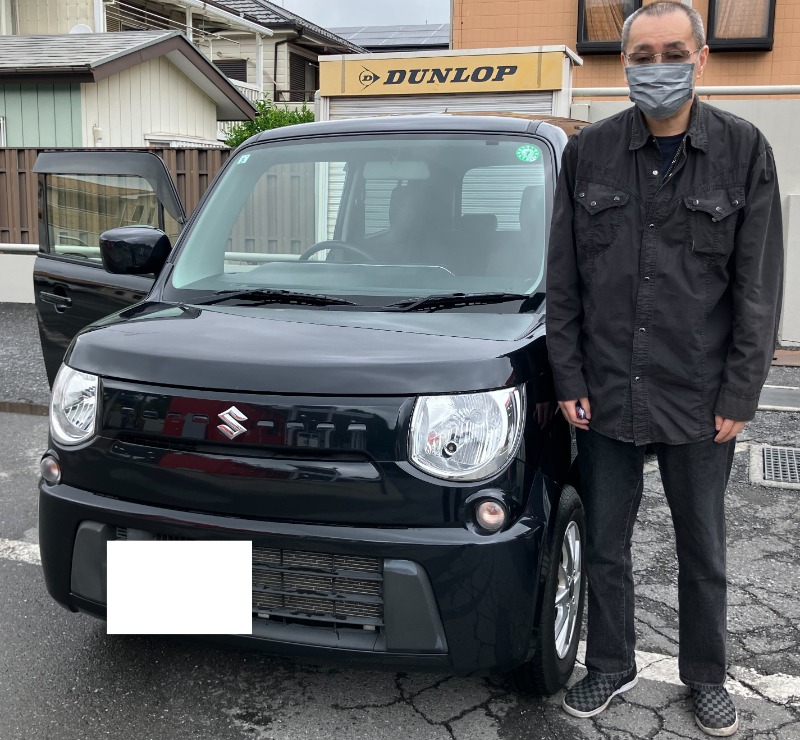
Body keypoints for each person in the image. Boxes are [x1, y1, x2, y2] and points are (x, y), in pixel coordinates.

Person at [545, 2, 784, 737]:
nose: (658, 68)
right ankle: (610, 663)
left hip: (701, 394)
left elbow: (758, 287)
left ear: (701, 58)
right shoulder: (589, 153)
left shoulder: (744, 151)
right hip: (606, 389)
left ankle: (706, 676)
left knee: (702, 547)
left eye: (673, 53)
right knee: (606, 542)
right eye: (642, 56)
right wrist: (568, 378)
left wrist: (741, 391)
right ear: (624, 63)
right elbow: (564, 278)